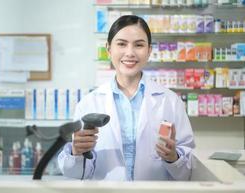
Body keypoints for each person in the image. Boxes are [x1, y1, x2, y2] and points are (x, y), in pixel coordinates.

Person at [58, 15, 195, 181]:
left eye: (139, 45)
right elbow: (79, 174)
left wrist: (173, 157)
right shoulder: (89, 103)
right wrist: (77, 153)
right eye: (121, 44)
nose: (130, 53)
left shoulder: (171, 101)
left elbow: (187, 169)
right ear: (109, 49)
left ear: (149, 51)